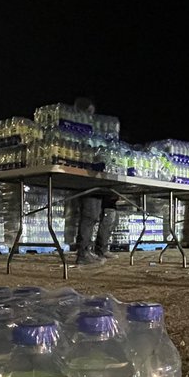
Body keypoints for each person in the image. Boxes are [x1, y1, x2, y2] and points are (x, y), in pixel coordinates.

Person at [71, 97, 119, 265]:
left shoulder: (91, 132)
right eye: (89, 112)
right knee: (90, 214)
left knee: (94, 214)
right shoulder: (75, 130)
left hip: (94, 176)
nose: (92, 116)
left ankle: (90, 251)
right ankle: (83, 254)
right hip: (85, 176)